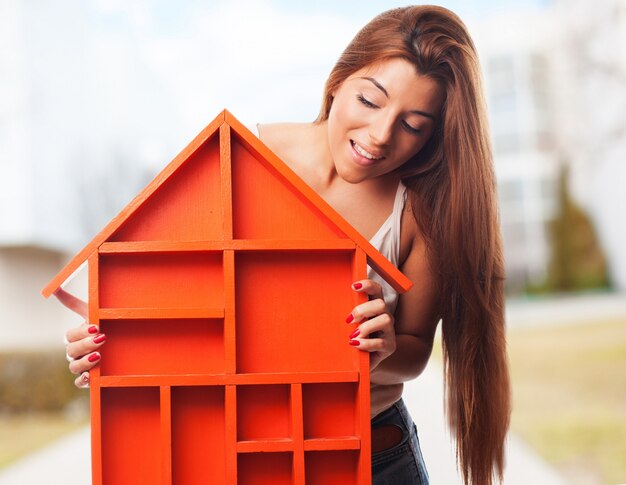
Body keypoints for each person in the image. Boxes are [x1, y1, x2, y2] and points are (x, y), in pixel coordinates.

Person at [64, 5, 510, 485]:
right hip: (240, 457)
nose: (381, 136)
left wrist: (384, 348)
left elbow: (416, 350)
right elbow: (171, 307)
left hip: (373, 453)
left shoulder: (420, 210)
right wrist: (112, 345)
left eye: (413, 125)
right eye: (370, 100)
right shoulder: (236, 158)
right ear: (338, 81)